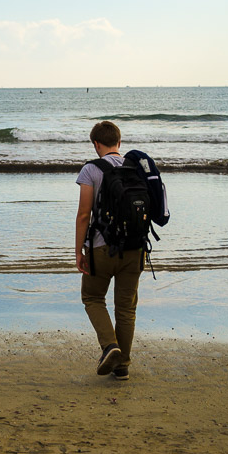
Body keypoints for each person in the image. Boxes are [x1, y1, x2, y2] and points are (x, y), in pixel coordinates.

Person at [75, 120, 142, 381]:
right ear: (119, 143)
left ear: (96, 144)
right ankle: (122, 365)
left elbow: (83, 215)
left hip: (101, 250)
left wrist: (79, 251)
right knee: (126, 309)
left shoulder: (91, 170)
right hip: (135, 249)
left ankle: (109, 346)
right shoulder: (136, 167)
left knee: (92, 298)